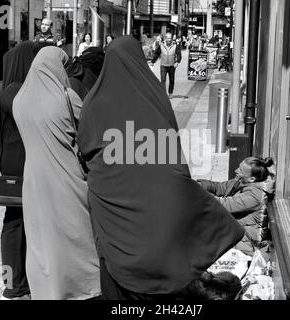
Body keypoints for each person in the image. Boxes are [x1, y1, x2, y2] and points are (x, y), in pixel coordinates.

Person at [77, 35, 244, 300]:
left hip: (112, 208)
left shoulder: (94, 102)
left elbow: (85, 151)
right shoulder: (154, 95)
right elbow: (171, 153)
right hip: (158, 209)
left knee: (114, 272)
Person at [12, 46, 101, 300]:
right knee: (74, 235)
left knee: (41, 239)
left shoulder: (20, 100)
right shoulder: (66, 98)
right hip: (66, 178)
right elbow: (88, 132)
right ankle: (81, 288)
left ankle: (45, 290)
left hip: (34, 181)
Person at [0, 41, 40, 301]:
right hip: (22, 167)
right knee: (15, 226)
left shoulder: (8, 90)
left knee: (17, 224)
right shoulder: (15, 92)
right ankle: (13, 285)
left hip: (14, 163)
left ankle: (17, 283)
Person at [198, 157, 276, 256]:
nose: (236, 170)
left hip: (246, 241)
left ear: (252, 179)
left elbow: (224, 205)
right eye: (239, 167)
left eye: (241, 170)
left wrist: (197, 194)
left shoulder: (255, 195)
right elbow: (220, 187)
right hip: (234, 230)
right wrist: (199, 185)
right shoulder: (242, 181)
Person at [150, 32, 182, 99]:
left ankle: (170, 93)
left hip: (172, 66)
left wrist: (177, 62)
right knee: (163, 80)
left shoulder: (175, 46)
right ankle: (163, 94)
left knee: (172, 80)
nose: (169, 40)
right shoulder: (161, 45)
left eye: (170, 38)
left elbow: (179, 55)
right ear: (165, 38)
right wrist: (153, 61)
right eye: (168, 38)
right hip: (163, 66)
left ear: (172, 38)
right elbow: (157, 54)